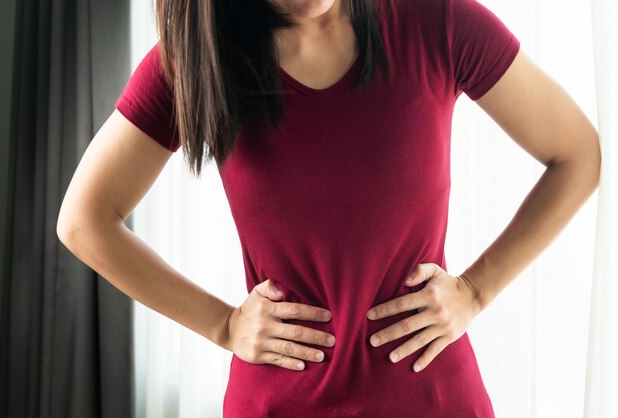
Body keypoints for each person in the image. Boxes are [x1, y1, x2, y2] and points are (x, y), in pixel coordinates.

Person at [57, 0, 601, 416]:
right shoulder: (197, 61)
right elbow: (85, 219)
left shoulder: (438, 20)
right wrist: (222, 326)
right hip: (276, 401)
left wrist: (476, 291)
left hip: (432, 398)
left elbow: (576, 154)